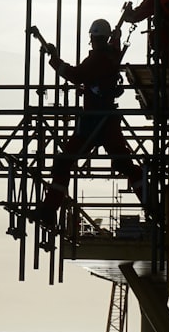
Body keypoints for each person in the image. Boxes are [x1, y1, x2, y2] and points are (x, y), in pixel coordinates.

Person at [29, 19, 144, 230]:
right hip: (106, 120)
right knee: (126, 165)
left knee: (63, 163)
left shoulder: (98, 59)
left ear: (92, 38)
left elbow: (75, 75)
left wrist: (54, 60)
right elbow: (108, 52)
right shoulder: (110, 54)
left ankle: (48, 210)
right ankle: (155, 206)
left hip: (94, 121)